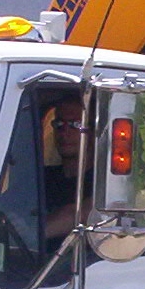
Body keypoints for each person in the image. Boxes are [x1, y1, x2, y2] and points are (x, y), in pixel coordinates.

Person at [43, 98, 90, 240]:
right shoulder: (40, 178)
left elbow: (84, 212)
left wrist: (33, 234)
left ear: (95, 131)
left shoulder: (105, 182)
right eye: (59, 124)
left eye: (75, 125)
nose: (64, 133)